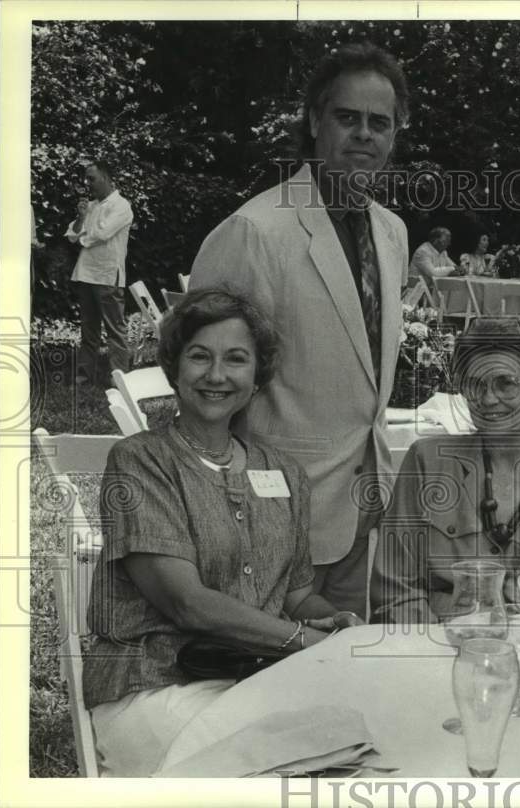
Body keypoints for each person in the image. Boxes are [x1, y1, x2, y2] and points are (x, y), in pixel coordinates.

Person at [82, 289, 362, 777]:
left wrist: (331, 622)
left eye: (236, 359)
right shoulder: (139, 461)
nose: (216, 375)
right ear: (174, 368)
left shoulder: (285, 473)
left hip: (256, 679)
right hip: (155, 685)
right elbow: (186, 603)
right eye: (199, 356)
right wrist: (302, 641)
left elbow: (297, 596)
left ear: (257, 377)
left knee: (364, 739)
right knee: (294, 764)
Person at [190, 43, 410, 616]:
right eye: (347, 117)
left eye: (380, 123)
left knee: (346, 665)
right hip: (273, 519)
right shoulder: (255, 231)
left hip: (365, 510)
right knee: (274, 672)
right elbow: (206, 389)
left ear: (394, 134)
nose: (364, 134)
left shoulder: (392, 232)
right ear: (315, 121)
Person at [371, 316, 520, 623]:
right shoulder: (426, 463)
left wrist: (446, 605)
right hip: (424, 640)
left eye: (506, 384)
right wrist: (434, 639)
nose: (487, 399)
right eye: (475, 385)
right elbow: (394, 591)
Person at [65, 161, 134, 385]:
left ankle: (120, 379)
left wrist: (83, 237)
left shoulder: (121, 206)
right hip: (86, 273)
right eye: (86, 179)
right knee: (89, 329)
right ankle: (85, 375)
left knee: (115, 330)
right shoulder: (91, 206)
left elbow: (102, 234)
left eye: (91, 179)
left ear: (106, 177)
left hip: (107, 275)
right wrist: (81, 218)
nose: (87, 183)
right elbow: (72, 235)